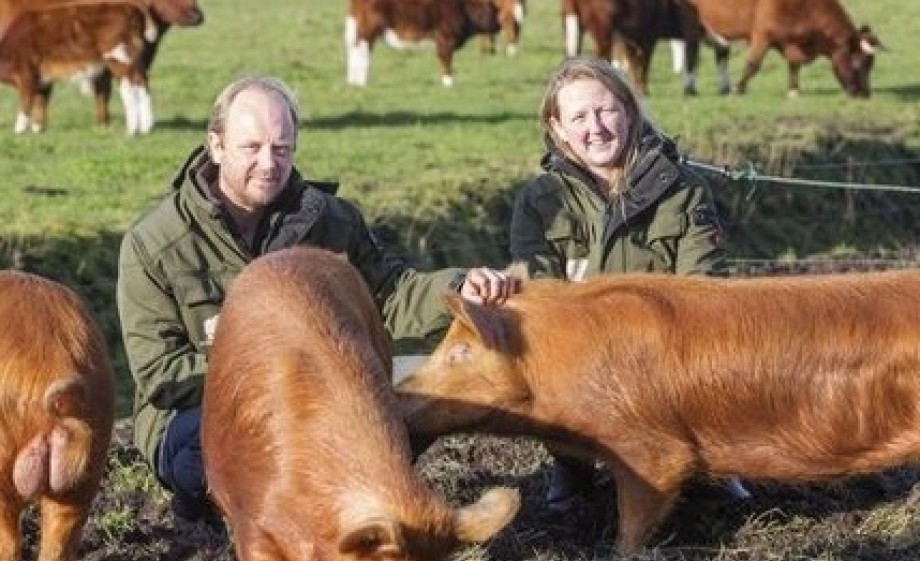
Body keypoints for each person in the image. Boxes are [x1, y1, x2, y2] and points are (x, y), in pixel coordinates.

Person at [116, 75, 519, 527]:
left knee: (419, 395)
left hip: (322, 396)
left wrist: (459, 288)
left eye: (282, 148)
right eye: (252, 148)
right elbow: (160, 376)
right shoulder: (153, 245)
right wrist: (285, 370)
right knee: (206, 454)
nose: (269, 164)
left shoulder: (330, 221)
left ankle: (347, 514)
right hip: (207, 409)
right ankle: (212, 514)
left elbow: (390, 293)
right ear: (216, 145)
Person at [509, 56, 741, 513]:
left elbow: (705, 289)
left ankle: (706, 462)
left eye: (605, 110)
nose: (595, 127)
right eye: (578, 116)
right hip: (582, 358)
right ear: (557, 128)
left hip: (667, 353)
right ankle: (573, 464)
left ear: (629, 113)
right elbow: (540, 298)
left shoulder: (683, 188)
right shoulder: (539, 201)